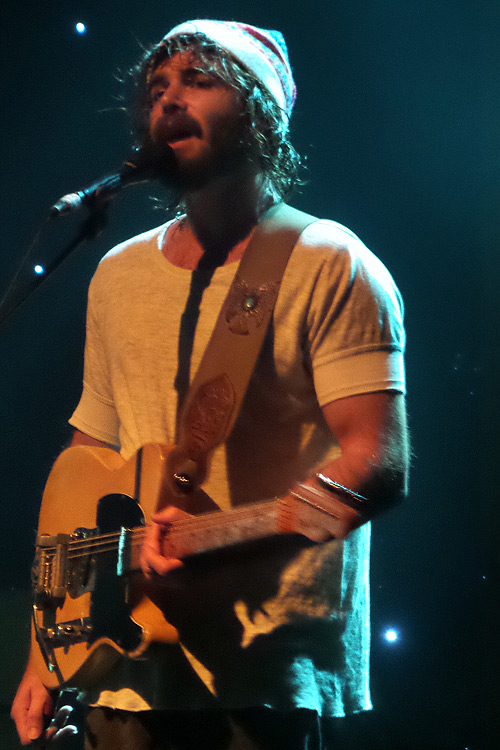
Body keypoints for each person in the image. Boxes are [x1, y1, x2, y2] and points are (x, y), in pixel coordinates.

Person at [11, 19, 409, 750]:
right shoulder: (119, 273)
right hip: (120, 671)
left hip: (260, 670)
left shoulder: (330, 262)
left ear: (260, 113)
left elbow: (377, 466)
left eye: (199, 80)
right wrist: (46, 651)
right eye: (157, 86)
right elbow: (87, 456)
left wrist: (224, 541)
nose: (168, 99)